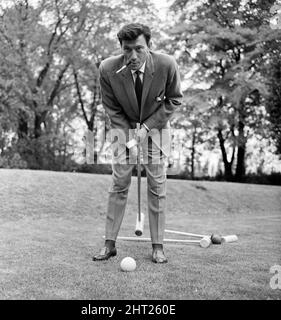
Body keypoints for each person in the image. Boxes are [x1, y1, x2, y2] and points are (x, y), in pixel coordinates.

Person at [93, 23, 183, 263]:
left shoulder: (166, 64)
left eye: (139, 49)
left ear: (149, 46)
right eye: (127, 49)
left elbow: (174, 100)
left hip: (157, 127)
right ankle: (109, 244)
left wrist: (146, 128)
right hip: (122, 128)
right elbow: (111, 107)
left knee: (156, 187)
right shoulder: (107, 68)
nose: (133, 55)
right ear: (121, 48)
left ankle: (158, 247)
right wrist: (129, 135)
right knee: (119, 184)